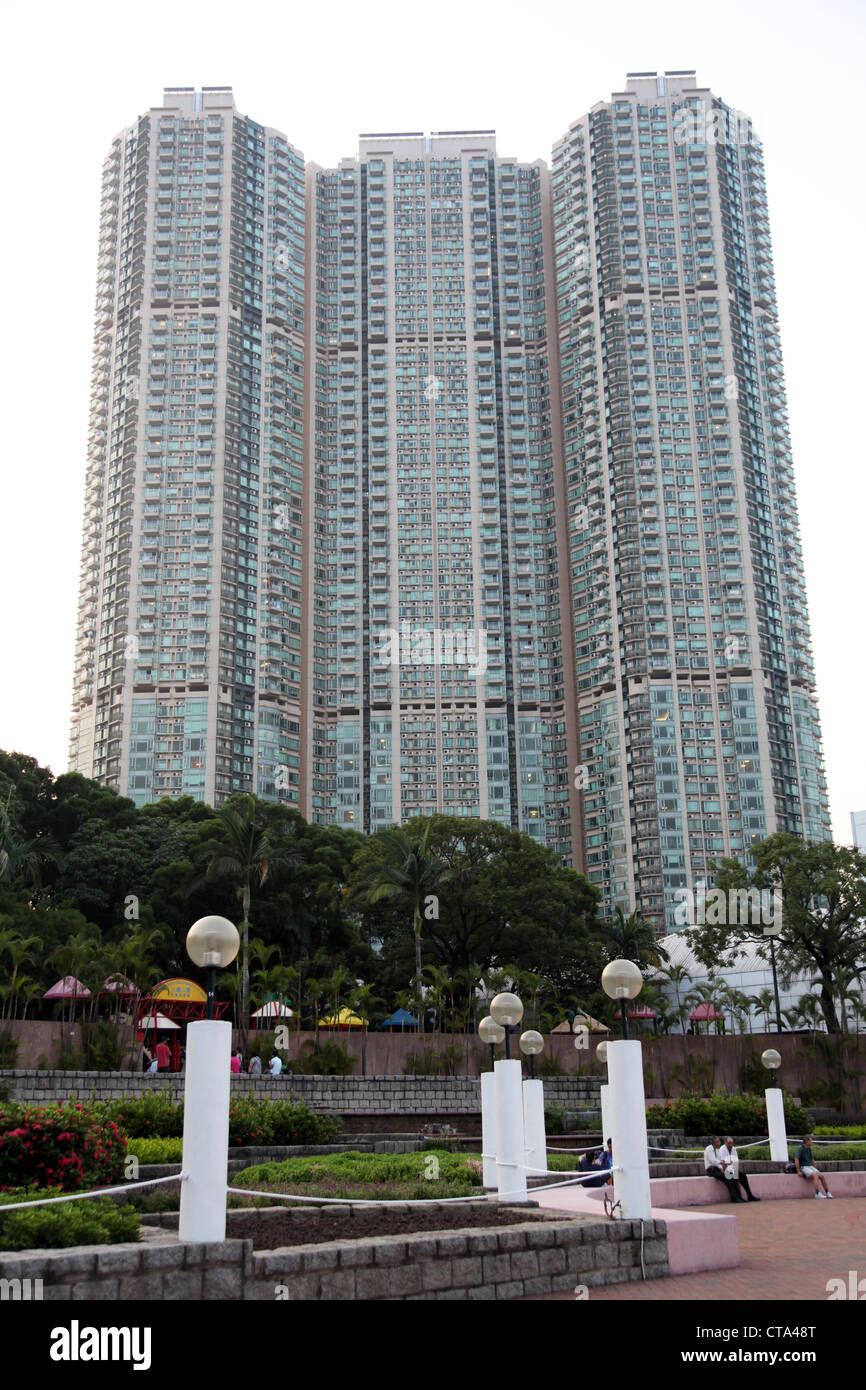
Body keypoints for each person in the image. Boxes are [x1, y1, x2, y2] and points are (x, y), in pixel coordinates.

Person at [704, 1136, 745, 1202]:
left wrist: (722, 1169)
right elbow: (713, 1161)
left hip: (716, 1169)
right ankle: (735, 1198)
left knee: (732, 1177)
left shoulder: (716, 1150)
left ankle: (738, 1197)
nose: (720, 1143)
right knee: (729, 1178)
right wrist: (724, 1163)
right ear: (715, 1142)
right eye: (718, 1141)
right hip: (711, 1170)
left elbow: (718, 1163)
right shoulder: (709, 1149)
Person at [719, 1136, 760, 1202]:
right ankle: (735, 1198)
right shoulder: (722, 1149)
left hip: (731, 1168)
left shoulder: (733, 1149)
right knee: (730, 1178)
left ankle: (750, 1196)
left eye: (732, 1143)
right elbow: (723, 1163)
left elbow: (735, 1161)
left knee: (743, 1176)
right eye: (729, 1143)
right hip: (724, 1170)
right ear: (725, 1143)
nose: (731, 1145)